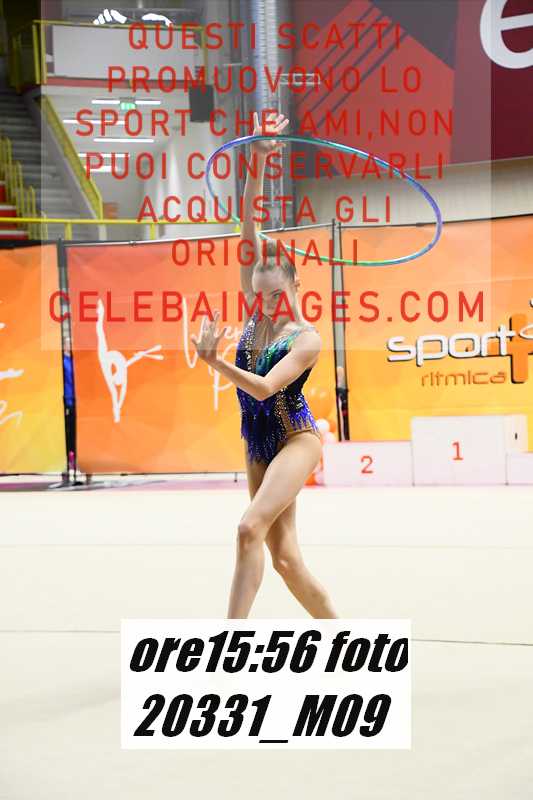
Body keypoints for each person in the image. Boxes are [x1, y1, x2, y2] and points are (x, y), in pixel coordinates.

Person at [191, 110, 339, 620]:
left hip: (295, 438)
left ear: (296, 285)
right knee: (285, 559)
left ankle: (228, 643)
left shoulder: (307, 338)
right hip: (256, 440)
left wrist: (214, 362)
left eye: (276, 295)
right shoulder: (257, 314)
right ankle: (344, 634)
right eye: (259, 296)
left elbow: (263, 389)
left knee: (247, 527)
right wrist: (256, 160)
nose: (267, 304)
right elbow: (248, 228)